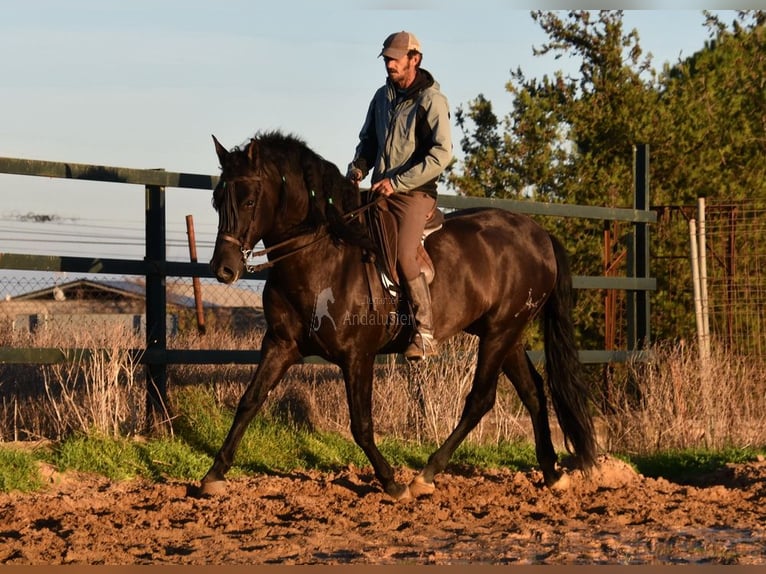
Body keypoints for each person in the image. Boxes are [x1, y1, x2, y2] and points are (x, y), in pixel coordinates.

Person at [347, 31, 452, 361]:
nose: (389, 64)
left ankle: (424, 332)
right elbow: (368, 142)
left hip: (415, 193)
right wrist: (359, 167)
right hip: (381, 190)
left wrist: (398, 182)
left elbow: (442, 154)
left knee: (405, 255)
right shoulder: (381, 97)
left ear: (414, 60)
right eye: (387, 58)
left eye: (395, 58)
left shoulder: (432, 101)